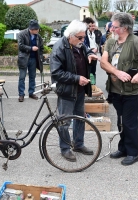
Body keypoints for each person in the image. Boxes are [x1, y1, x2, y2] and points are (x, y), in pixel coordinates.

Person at [100, 13, 138, 165]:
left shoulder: (136, 42)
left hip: (132, 91)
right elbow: (103, 62)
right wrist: (117, 72)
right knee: (121, 121)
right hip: (115, 89)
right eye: (112, 26)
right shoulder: (111, 41)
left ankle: (133, 153)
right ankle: (123, 148)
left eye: (115, 27)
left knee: (129, 122)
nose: (112, 29)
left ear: (125, 28)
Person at [50, 20, 99, 162]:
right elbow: (56, 73)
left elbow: (85, 49)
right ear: (70, 36)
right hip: (67, 91)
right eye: (80, 37)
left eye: (84, 37)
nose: (83, 40)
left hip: (79, 90)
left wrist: (89, 53)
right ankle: (65, 149)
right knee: (64, 121)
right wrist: (77, 78)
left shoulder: (78, 44)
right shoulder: (59, 48)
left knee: (80, 119)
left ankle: (78, 144)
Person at [17, 19, 44, 102]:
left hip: (33, 59)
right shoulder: (22, 34)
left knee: (32, 77)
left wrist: (41, 56)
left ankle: (31, 93)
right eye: (37, 29)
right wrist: (31, 48)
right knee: (22, 77)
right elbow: (20, 46)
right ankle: (21, 94)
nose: (38, 30)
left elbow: (41, 48)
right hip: (24, 59)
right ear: (31, 29)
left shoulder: (38, 37)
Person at [83, 17, 102, 84]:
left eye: (93, 26)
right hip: (88, 54)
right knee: (89, 71)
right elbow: (84, 44)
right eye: (90, 26)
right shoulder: (84, 33)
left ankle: (93, 84)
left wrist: (96, 48)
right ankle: (89, 85)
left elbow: (96, 42)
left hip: (94, 54)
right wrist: (90, 50)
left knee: (93, 71)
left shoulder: (93, 33)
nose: (91, 27)